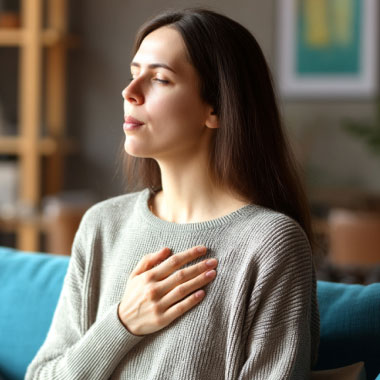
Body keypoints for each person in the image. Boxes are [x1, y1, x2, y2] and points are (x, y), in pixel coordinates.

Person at [26, 8, 319, 380]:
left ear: (217, 108)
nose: (129, 92)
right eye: (134, 75)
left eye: (160, 79)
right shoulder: (102, 224)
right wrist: (121, 323)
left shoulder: (271, 244)